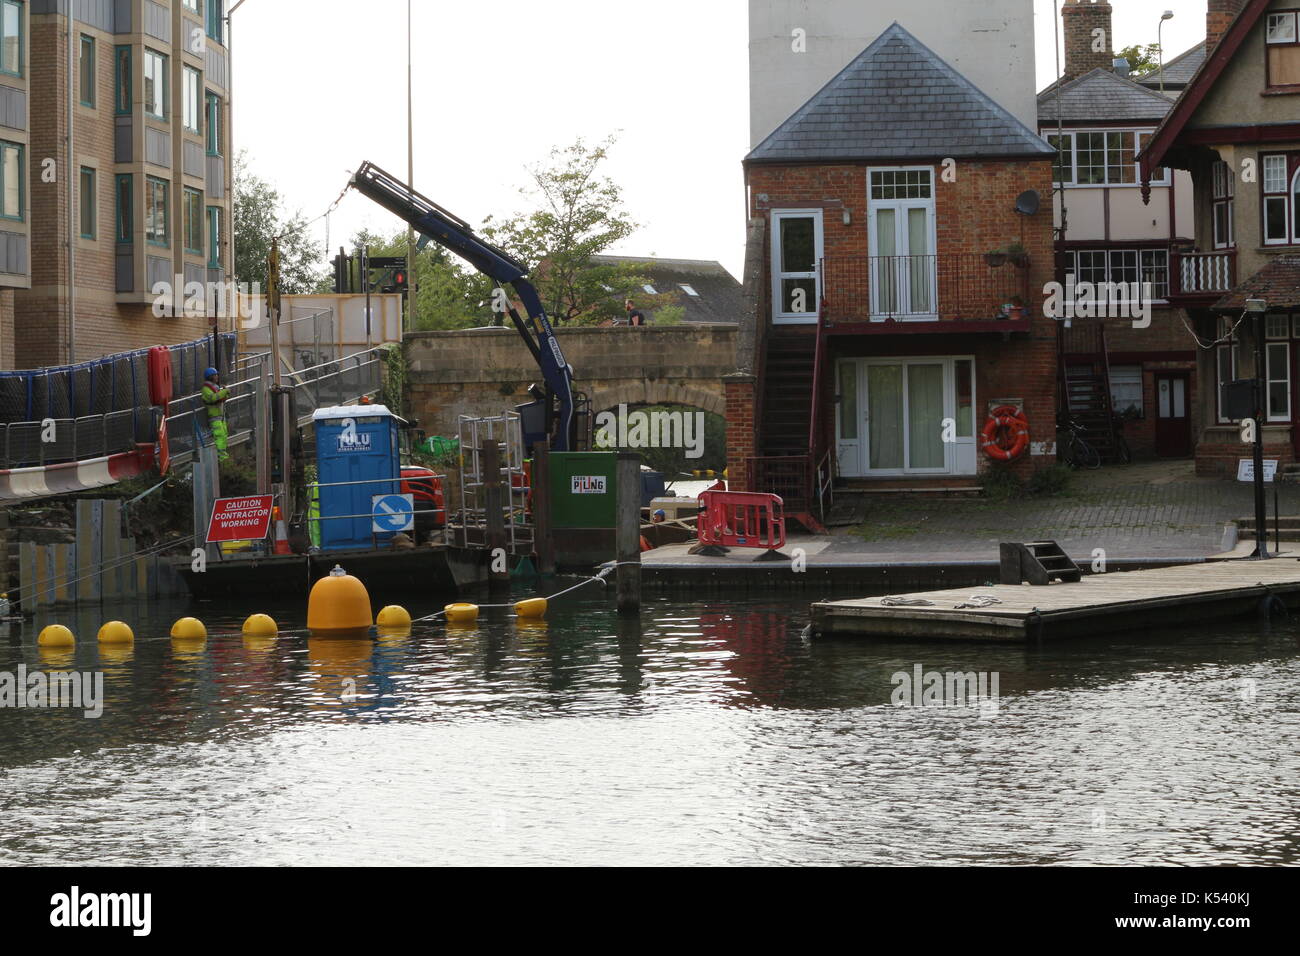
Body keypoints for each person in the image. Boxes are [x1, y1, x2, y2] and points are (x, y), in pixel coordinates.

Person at [201, 367, 230, 461]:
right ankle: (222, 458)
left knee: (224, 435)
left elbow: (221, 398)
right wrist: (225, 391)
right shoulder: (206, 389)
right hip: (214, 417)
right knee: (220, 436)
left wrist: (225, 393)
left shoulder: (215, 387)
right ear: (210, 377)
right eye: (215, 375)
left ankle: (224, 456)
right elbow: (213, 398)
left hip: (221, 416)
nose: (217, 377)